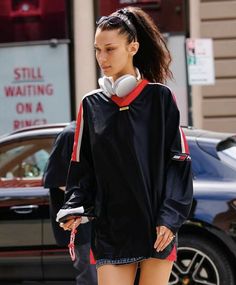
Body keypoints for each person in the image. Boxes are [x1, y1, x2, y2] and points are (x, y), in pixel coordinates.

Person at [57, 6, 193, 285]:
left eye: (110, 49)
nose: (102, 58)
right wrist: (73, 206)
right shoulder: (90, 105)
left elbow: (178, 162)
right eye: (97, 50)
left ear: (133, 47)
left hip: (157, 228)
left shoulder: (160, 98)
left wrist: (169, 218)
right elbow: (82, 167)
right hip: (111, 231)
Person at [43, 121, 97, 285]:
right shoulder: (70, 135)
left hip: (96, 219)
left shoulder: (95, 134)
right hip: (79, 219)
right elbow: (57, 179)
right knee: (89, 274)